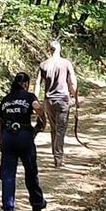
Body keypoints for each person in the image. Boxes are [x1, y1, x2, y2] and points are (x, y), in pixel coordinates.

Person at [0, 72, 48, 211]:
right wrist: (42, 122)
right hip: (24, 136)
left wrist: (0, 139)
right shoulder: (29, 97)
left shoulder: (6, 99)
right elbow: (38, 108)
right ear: (25, 84)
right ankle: (37, 204)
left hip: (8, 138)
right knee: (30, 171)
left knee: (8, 175)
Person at [36, 40, 78, 168]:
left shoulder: (43, 65)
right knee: (60, 129)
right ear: (59, 49)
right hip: (62, 100)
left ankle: (56, 155)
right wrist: (75, 98)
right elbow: (72, 83)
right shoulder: (66, 63)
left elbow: (37, 83)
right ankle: (58, 158)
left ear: (50, 50)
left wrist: (34, 100)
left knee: (54, 129)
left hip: (48, 101)